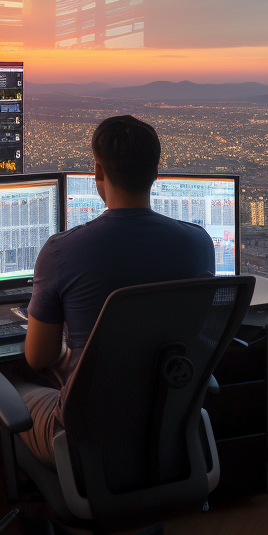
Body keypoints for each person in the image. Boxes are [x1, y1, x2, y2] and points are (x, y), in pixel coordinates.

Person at [15, 115, 216, 473]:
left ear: (98, 172)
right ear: (155, 174)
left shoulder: (62, 252)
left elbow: (38, 357)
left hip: (84, 436)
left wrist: (73, 349)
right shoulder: (199, 244)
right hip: (163, 421)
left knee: (12, 387)